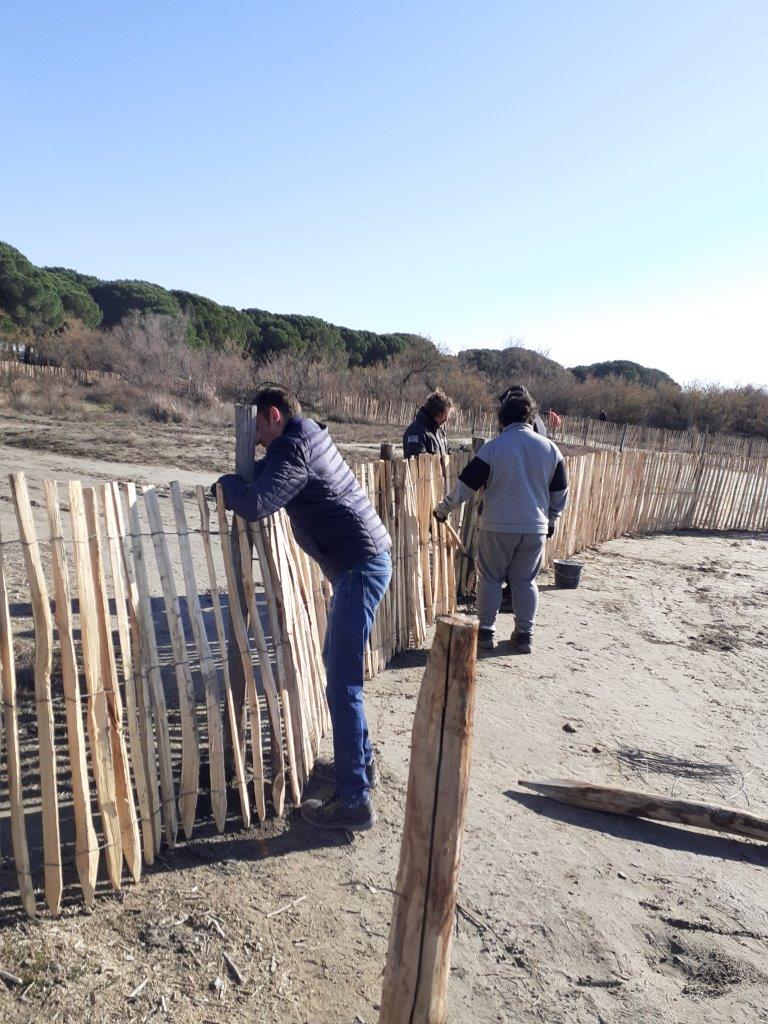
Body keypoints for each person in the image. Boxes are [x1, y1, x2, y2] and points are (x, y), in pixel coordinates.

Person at [212, 386, 391, 832]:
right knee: (340, 673)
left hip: (359, 566)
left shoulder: (292, 446)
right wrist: (241, 476)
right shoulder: (304, 437)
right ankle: (362, 767)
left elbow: (257, 502)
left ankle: (354, 802)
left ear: (273, 415)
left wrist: (226, 487)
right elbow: (265, 476)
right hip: (364, 562)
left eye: (257, 429)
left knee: (342, 684)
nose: (256, 440)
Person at [434, 391, 568, 654]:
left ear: (502, 419)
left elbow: (466, 485)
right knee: (526, 581)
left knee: (491, 578)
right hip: (534, 528)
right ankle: (524, 635)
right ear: (530, 418)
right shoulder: (551, 450)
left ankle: (485, 632)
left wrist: (443, 509)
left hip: (497, 526)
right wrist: (552, 518)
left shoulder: (494, 448)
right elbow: (560, 492)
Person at [403, 389, 453, 458]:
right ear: (438, 412)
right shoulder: (416, 432)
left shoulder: (440, 432)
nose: (446, 419)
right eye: (446, 415)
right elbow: (417, 462)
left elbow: (447, 454)